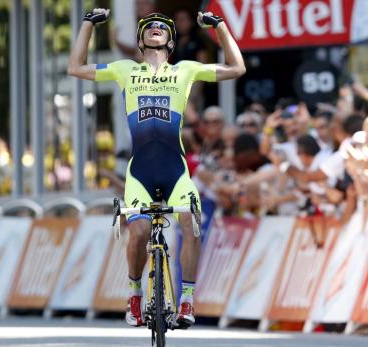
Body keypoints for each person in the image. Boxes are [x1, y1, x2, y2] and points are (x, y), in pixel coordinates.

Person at [68, 8, 245, 328]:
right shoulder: (125, 70)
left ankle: (187, 298)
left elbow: (237, 67)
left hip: (174, 168)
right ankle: (135, 293)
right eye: (149, 27)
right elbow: (75, 67)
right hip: (141, 172)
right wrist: (87, 24)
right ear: (140, 40)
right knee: (138, 232)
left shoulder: (186, 70)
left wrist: (218, 27)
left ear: (171, 41)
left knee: (191, 221)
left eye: (161, 28)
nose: (155, 29)